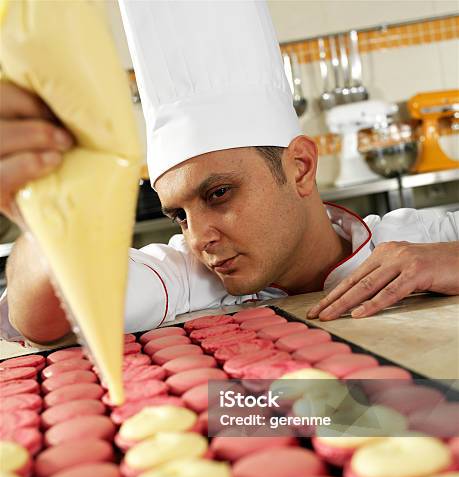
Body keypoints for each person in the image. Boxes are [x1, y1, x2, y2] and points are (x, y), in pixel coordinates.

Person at [1, 1, 458, 347]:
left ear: (300, 167)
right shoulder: (186, 277)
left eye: (219, 193)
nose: (199, 238)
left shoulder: (421, 238)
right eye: (179, 215)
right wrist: (43, 219)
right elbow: (42, 314)